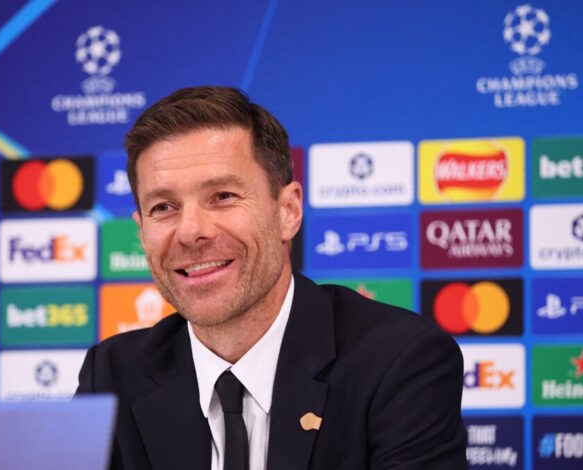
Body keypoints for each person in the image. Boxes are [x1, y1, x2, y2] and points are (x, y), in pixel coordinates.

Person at [77, 86, 467, 469]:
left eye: (223, 196)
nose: (190, 231)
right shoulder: (110, 375)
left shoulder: (398, 361)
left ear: (288, 211)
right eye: (164, 207)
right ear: (141, 231)